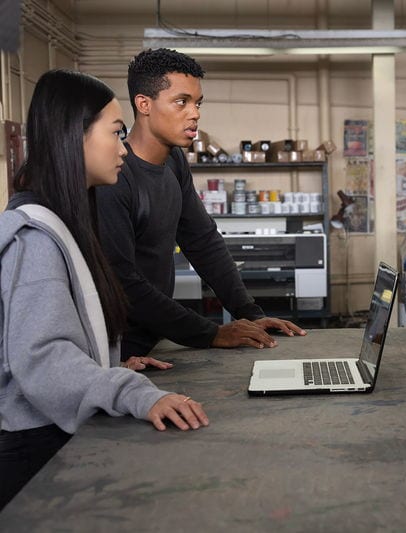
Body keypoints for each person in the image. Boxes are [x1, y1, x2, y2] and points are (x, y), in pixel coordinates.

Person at [0, 70, 210, 511]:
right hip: (32, 452)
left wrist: (105, 363)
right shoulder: (35, 238)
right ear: (73, 137)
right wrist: (130, 391)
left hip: (52, 435)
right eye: (115, 133)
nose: (123, 148)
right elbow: (43, 359)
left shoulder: (65, 222)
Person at [95, 48, 306, 361]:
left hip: (156, 339)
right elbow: (123, 283)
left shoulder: (174, 161)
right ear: (144, 104)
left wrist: (249, 313)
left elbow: (202, 241)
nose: (194, 113)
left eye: (197, 103)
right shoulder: (115, 178)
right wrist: (212, 333)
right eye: (181, 102)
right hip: (119, 351)